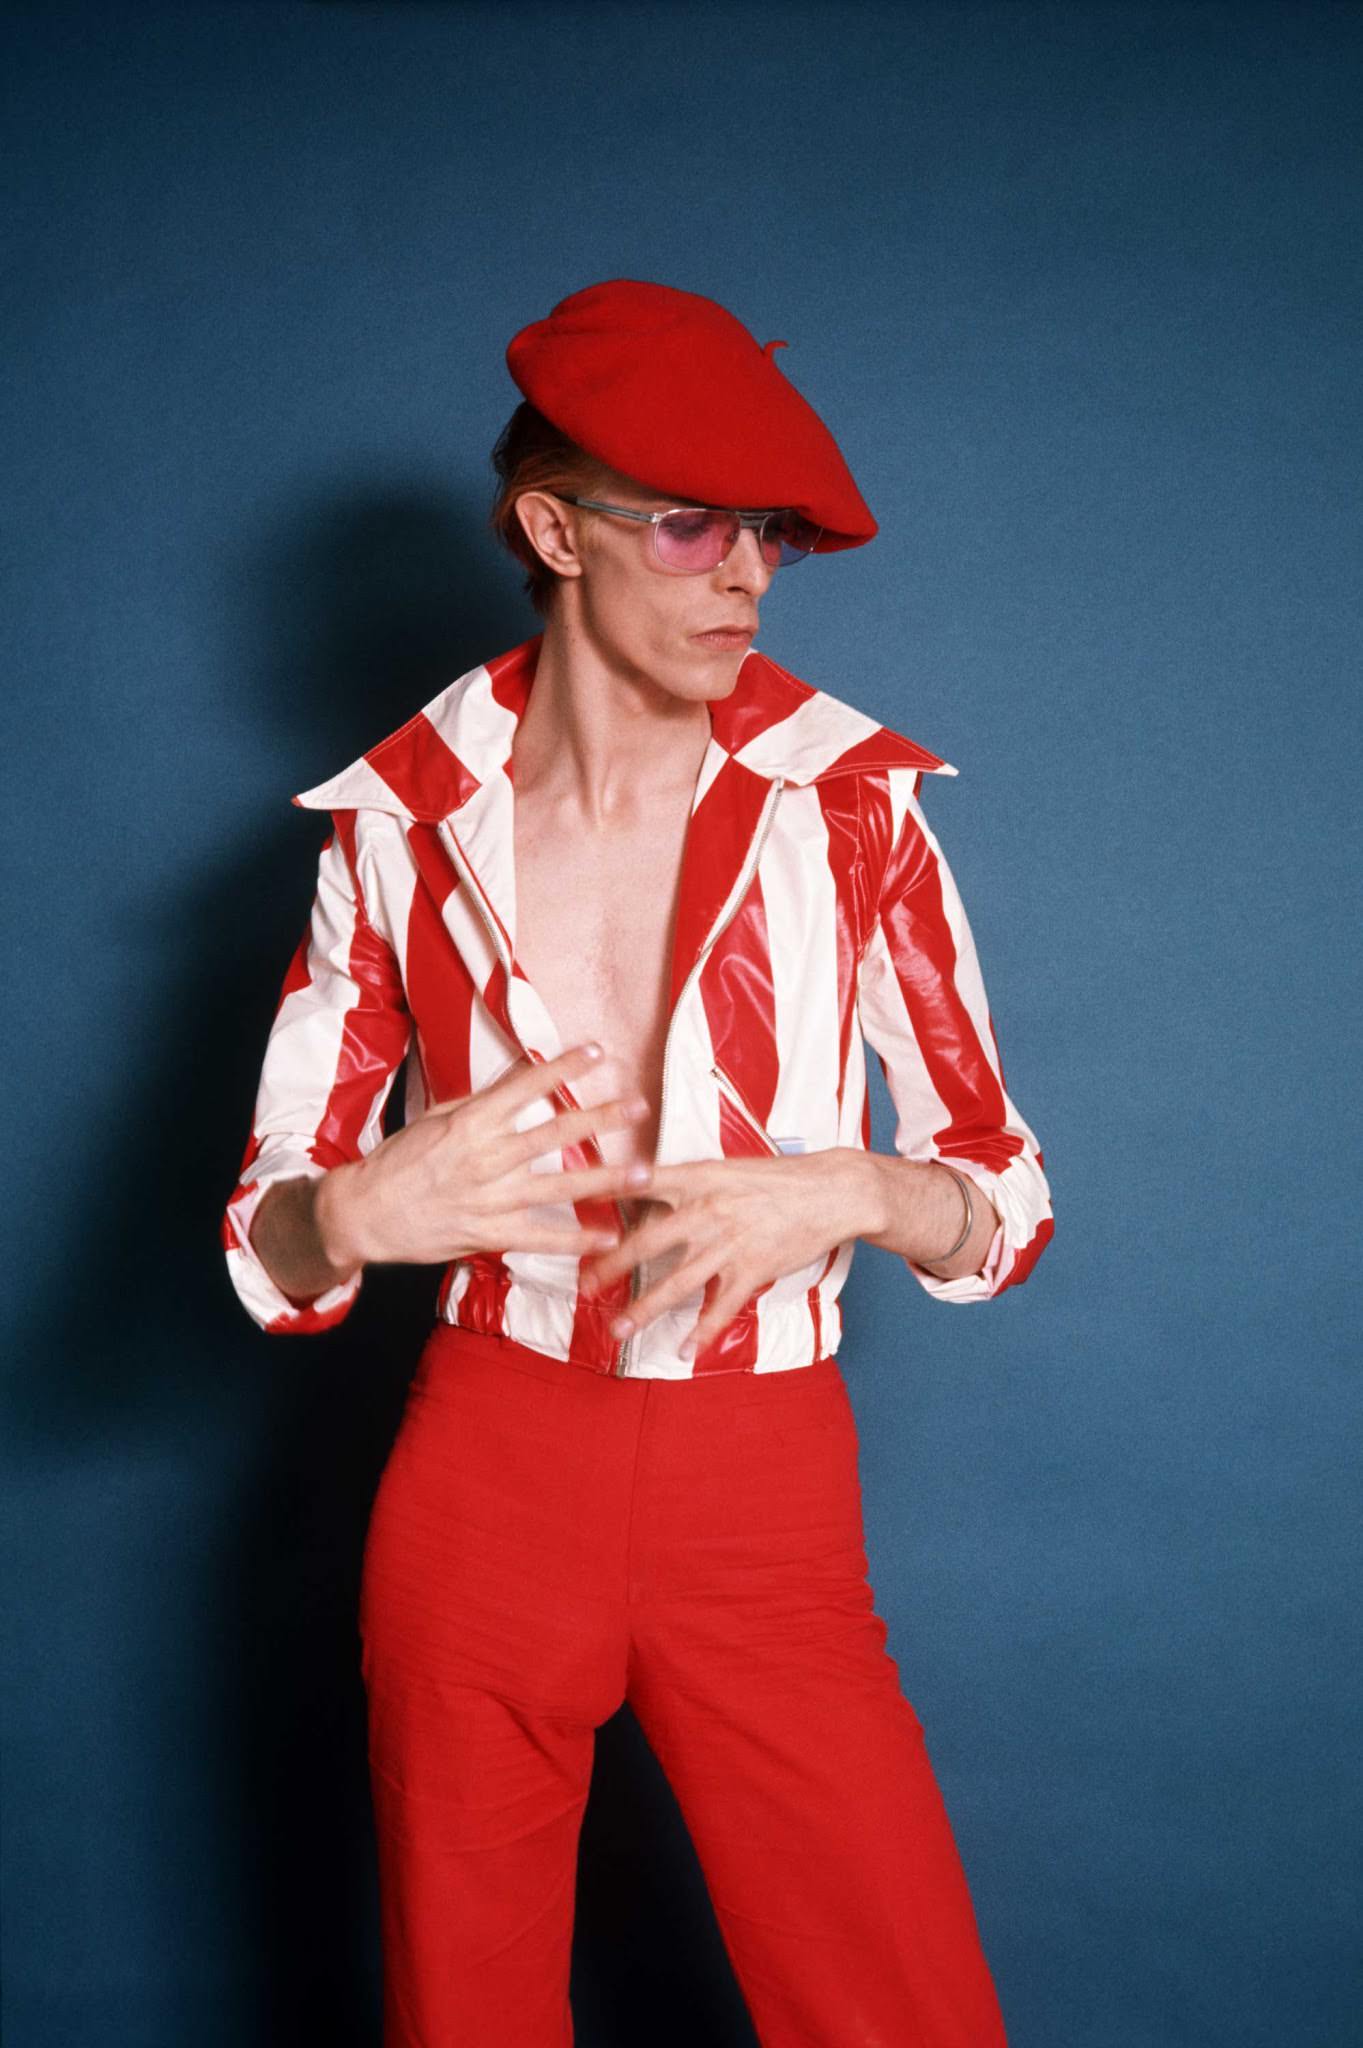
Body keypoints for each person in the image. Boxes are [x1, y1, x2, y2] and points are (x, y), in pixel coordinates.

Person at [221, 278, 1054, 2047]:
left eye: (769, 537)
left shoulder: (855, 810)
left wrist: (861, 1191)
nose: (743, 574)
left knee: (896, 2003)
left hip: (761, 1495)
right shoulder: (394, 825)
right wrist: (355, 1212)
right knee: (470, 2009)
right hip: (482, 1474)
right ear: (554, 530)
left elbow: (1006, 1185)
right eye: (690, 526)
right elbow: (265, 1230)